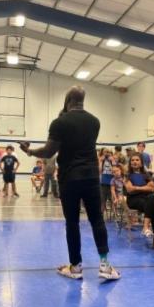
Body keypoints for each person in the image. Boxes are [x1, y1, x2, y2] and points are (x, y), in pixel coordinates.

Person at [19, 86, 119, 281]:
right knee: (97, 220)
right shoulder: (95, 122)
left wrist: (29, 151)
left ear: (67, 100)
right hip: (91, 177)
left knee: (72, 223)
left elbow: (49, 152)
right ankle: (105, 266)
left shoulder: (59, 122)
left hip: (69, 178)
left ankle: (75, 267)